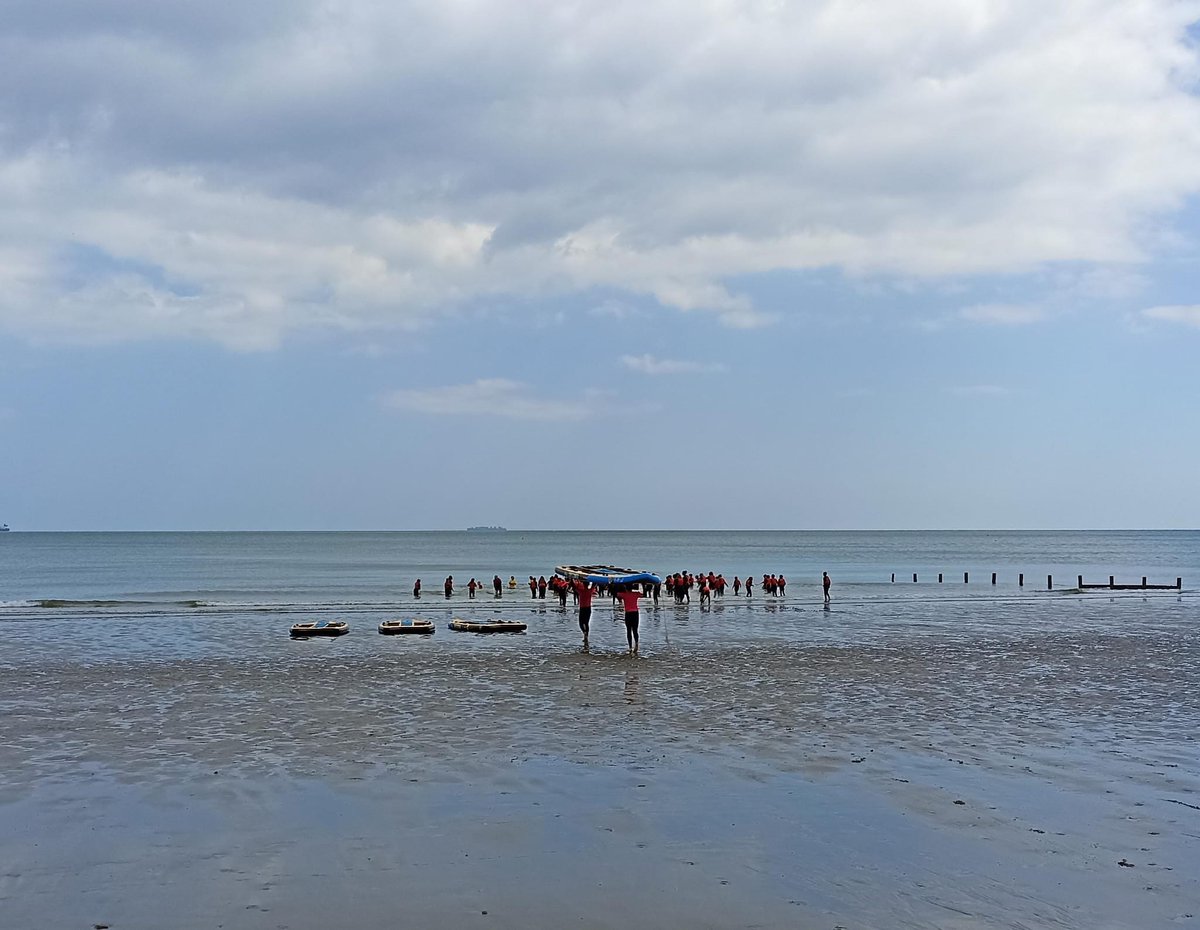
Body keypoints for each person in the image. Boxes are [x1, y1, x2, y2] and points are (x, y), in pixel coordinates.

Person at [616, 585, 643, 654]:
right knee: (635, 630)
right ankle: (636, 643)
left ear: (625, 588)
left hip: (628, 614)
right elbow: (643, 594)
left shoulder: (624, 595)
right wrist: (643, 585)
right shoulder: (635, 594)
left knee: (628, 630)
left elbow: (617, 594)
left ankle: (630, 647)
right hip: (635, 613)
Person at [574, 579, 597, 646]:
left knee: (581, 623)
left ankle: (584, 633)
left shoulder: (581, 591)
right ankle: (586, 635)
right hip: (588, 609)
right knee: (586, 623)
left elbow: (574, 587)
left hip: (582, 609)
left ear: (583, 584)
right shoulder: (590, 591)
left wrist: (571, 579)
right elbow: (594, 585)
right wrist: (595, 578)